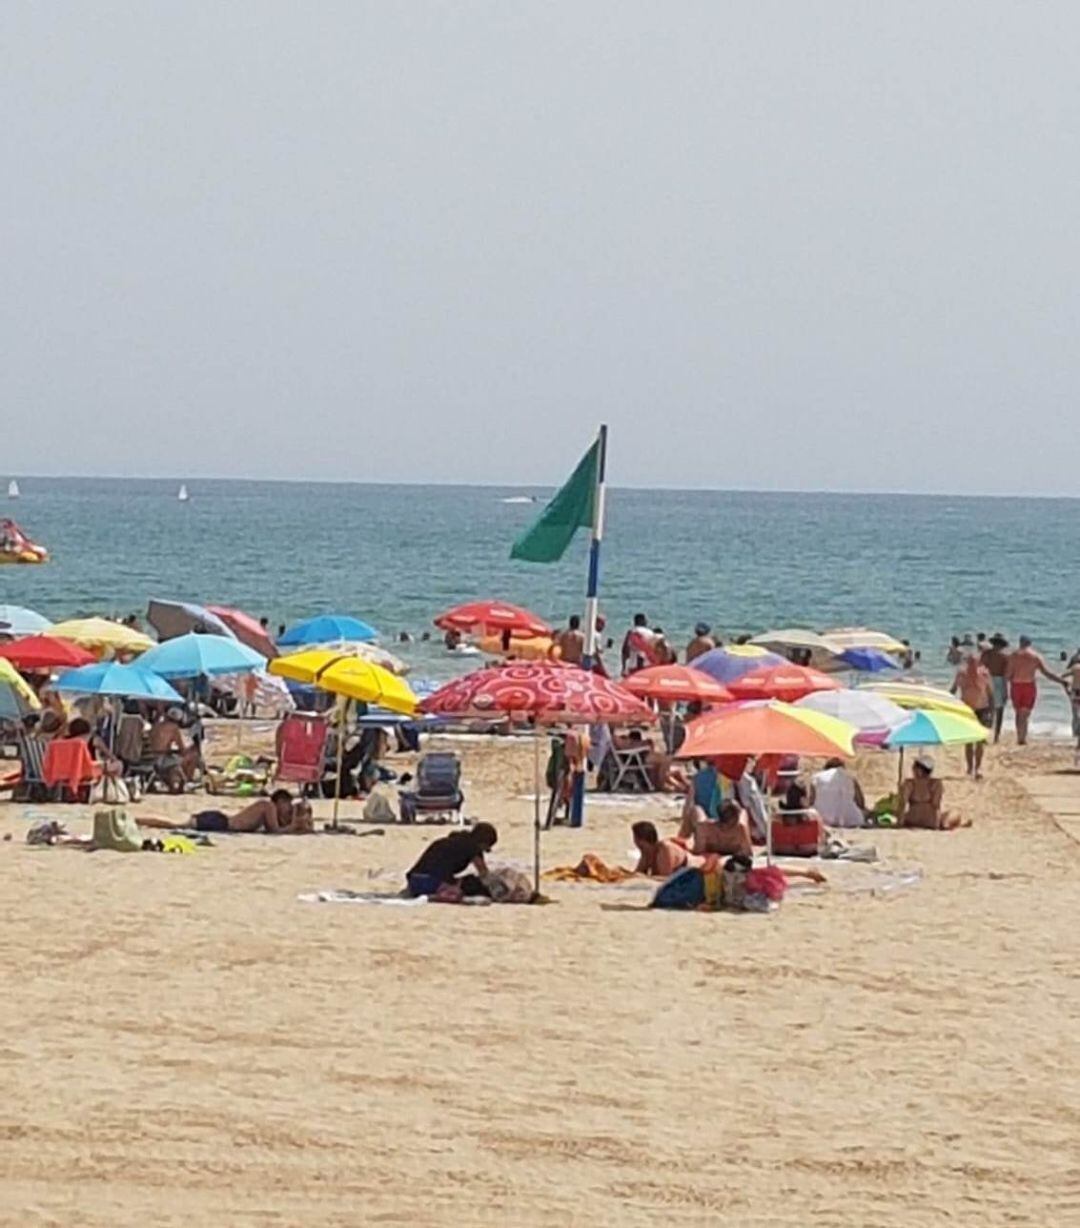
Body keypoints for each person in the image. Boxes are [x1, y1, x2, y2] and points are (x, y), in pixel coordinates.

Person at [138, 790, 314, 834]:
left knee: (175, 824)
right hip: (220, 822)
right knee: (173, 825)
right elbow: (276, 831)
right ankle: (139, 820)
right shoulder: (267, 805)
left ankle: (140, 820)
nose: (289, 808)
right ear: (280, 801)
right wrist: (294, 824)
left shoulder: (268, 809)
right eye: (288, 804)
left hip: (221, 822)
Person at [405, 822, 498, 897]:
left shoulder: (451, 841)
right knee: (472, 884)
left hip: (414, 880)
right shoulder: (473, 847)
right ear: (483, 843)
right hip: (431, 883)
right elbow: (484, 874)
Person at [1005, 636, 1062, 746]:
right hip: (1029, 686)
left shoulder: (1013, 656)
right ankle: (1023, 738)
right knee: (1025, 713)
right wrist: (1060, 680)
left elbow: (1008, 674)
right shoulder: (1035, 656)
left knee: (1018, 713)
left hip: (1016, 685)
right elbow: (1046, 673)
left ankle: (1019, 737)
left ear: (1020, 642)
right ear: (1029, 643)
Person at [951, 652, 993, 777]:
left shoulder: (984, 674)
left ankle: (978, 768)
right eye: (970, 662)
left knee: (980, 740)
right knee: (969, 740)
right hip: (967, 711)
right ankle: (970, 767)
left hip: (982, 709)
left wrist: (992, 712)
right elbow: (953, 690)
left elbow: (990, 694)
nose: (972, 665)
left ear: (979, 663)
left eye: (974, 662)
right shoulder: (961, 675)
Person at [898, 757, 969, 830]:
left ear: (919, 770)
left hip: (913, 819)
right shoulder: (935, 784)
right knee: (955, 812)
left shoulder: (909, 783)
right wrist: (936, 825)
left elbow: (903, 804)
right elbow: (936, 805)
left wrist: (900, 822)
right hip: (930, 820)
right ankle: (957, 824)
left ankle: (960, 824)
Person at [148, 706, 201, 792]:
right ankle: (187, 780)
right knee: (193, 755)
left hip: (150, 758)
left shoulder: (156, 725)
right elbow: (182, 748)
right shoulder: (173, 728)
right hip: (162, 760)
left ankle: (178, 780)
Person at [810, 757, 867, 828]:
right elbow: (860, 801)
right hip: (851, 819)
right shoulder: (850, 777)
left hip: (822, 818)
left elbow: (811, 800)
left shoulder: (816, 777)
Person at [631, 820, 701, 877]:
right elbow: (637, 875)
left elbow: (665, 879)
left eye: (636, 839)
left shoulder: (665, 849)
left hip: (698, 868)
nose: (635, 842)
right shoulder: (646, 853)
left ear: (643, 840)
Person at [980, 633, 1010, 743]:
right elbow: (1006, 675)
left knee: (986, 710)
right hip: (999, 681)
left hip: (987, 679)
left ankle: (983, 735)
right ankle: (996, 737)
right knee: (999, 711)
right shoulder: (1005, 657)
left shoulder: (986, 654)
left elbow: (981, 668)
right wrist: (1006, 691)